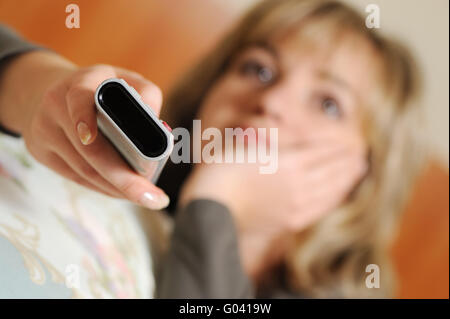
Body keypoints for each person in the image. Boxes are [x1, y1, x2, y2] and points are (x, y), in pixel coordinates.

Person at [0, 0, 424, 299]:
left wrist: (217, 202)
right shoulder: (124, 194)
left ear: (364, 171)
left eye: (328, 103)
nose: (271, 102)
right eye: (258, 68)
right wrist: (32, 82)